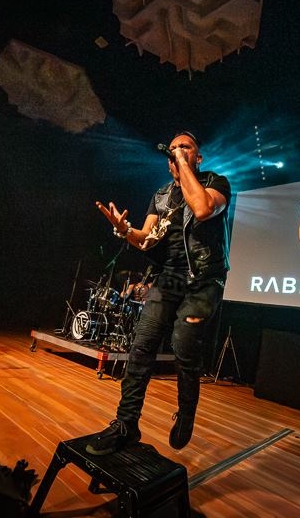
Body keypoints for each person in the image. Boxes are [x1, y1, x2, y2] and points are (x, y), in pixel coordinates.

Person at [88, 131, 230, 455]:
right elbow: (146, 240)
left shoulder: (216, 183)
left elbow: (203, 209)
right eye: (174, 148)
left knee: (183, 344)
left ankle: (186, 410)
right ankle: (126, 424)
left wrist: (184, 168)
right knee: (141, 347)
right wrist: (124, 230)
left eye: (186, 147)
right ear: (168, 164)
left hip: (204, 279)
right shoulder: (161, 195)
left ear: (198, 157)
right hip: (169, 278)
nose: (178, 150)